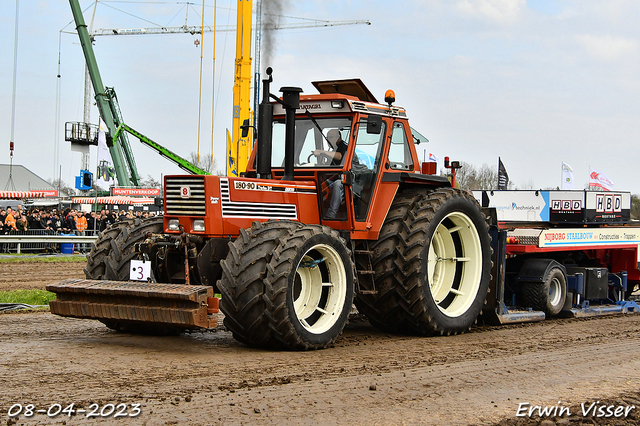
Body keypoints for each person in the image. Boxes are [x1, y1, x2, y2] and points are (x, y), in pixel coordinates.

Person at [312, 129, 347, 219]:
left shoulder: (344, 146)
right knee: (320, 184)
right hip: (334, 178)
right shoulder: (333, 149)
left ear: (339, 137)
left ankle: (331, 215)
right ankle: (316, 213)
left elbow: (339, 156)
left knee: (338, 184)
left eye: (330, 137)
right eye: (327, 138)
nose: (328, 140)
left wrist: (322, 152)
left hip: (349, 179)